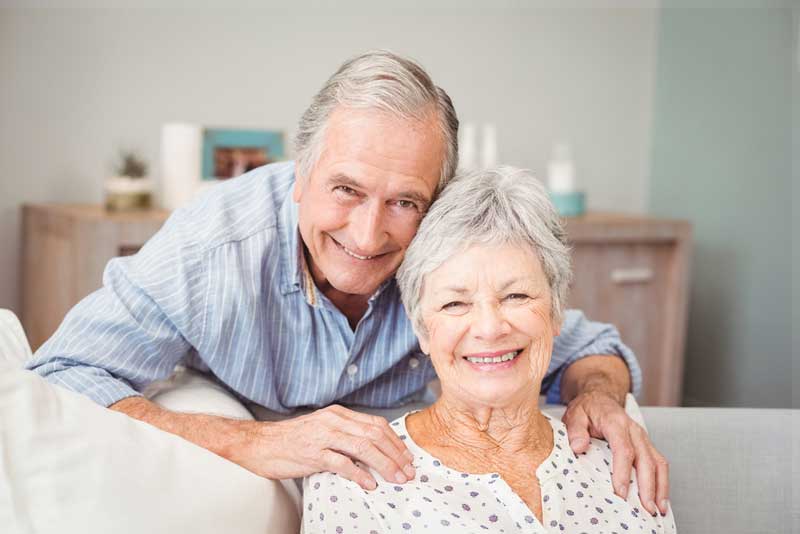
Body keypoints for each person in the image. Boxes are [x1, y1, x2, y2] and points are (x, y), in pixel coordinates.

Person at [26, 50, 668, 514]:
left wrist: (602, 396)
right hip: (240, 435)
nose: (366, 236)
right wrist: (250, 441)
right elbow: (64, 371)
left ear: (436, 200)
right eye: (345, 190)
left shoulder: (444, 252)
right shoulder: (213, 248)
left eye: (404, 202)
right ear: (299, 175)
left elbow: (581, 345)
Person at [304, 166, 674, 532]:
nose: (490, 328)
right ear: (422, 330)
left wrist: (601, 393)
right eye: (455, 304)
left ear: (556, 311)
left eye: (516, 295)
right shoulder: (352, 484)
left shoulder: (619, 457)